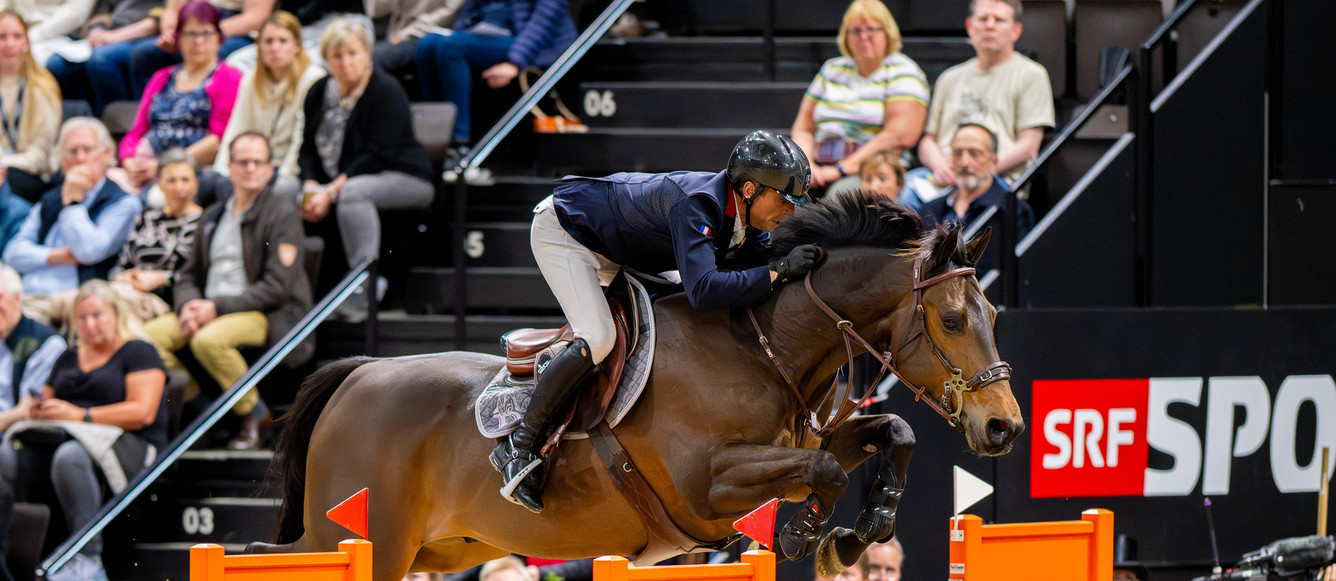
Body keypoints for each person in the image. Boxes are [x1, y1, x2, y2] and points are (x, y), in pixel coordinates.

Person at [491, 129, 819, 513]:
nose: (791, 211)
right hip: (568, 233)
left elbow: (752, 273)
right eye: (785, 199)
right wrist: (778, 273)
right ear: (749, 190)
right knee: (599, 337)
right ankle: (521, 444)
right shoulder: (698, 204)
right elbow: (705, 292)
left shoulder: (747, 221)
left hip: (621, 247)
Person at [142, 131, 311, 450]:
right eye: (243, 162)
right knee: (146, 340)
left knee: (210, 340)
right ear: (229, 167)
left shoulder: (282, 214)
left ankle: (255, 414)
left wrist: (215, 308)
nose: (250, 169)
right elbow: (188, 275)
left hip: (267, 312)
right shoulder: (214, 214)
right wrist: (190, 306)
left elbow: (277, 286)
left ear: (270, 169)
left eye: (257, 162)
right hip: (209, 307)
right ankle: (201, 409)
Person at [0, 279, 167, 581]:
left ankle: (87, 560)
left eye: (97, 315)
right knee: (8, 454)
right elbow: (45, 397)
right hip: (70, 436)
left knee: (70, 454)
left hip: (130, 444)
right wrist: (42, 408)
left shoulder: (138, 351)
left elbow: (142, 413)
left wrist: (81, 415)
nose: (89, 325)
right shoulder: (67, 357)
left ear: (116, 313)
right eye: (82, 318)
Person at [297, 17, 433, 321]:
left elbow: (376, 154)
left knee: (354, 194)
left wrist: (329, 192)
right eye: (337, 55)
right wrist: (308, 185)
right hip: (335, 180)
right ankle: (294, 295)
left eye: (353, 53)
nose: (345, 62)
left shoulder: (385, 89)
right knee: (281, 193)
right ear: (327, 58)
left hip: (404, 175)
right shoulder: (319, 91)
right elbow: (306, 148)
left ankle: (363, 290)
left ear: (367, 52)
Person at [2, 117, 140, 326]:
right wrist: (57, 256)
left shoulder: (123, 202)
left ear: (107, 154)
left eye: (88, 149)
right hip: (30, 293)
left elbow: (88, 251)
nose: (80, 158)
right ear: (61, 158)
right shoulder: (50, 199)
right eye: (72, 151)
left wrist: (74, 204)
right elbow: (12, 253)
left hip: (77, 298)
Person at [915, 0, 1054, 194]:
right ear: (970, 26)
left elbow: (1029, 146)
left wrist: (977, 170)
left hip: (997, 180)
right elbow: (928, 141)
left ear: (1016, 30)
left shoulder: (1032, 75)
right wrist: (939, 165)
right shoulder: (949, 78)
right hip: (940, 179)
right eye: (983, 19)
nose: (989, 25)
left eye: (999, 20)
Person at [790, 0, 927, 195]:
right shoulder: (832, 69)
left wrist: (840, 170)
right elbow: (803, 127)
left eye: (871, 30)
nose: (864, 37)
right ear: (846, 37)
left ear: (887, 33)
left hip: (870, 172)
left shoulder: (903, 71)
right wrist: (808, 166)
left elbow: (899, 136)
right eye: (855, 31)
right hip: (819, 170)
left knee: (840, 198)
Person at [414, 0, 577, 151]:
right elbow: (468, 13)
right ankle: (432, 135)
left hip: (534, 41)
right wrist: (462, 32)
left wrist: (515, 62)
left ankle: (458, 143)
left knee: (450, 47)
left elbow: (546, 19)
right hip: (489, 33)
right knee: (428, 45)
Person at [118, 0, 243, 194]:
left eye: (206, 33)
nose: (199, 41)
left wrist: (165, 166)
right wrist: (128, 160)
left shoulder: (228, 77)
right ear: (178, 38)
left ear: (219, 37)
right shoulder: (162, 77)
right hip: (146, 164)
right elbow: (137, 131)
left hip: (189, 172)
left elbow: (218, 139)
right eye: (191, 34)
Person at [214, 11, 325, 201]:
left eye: (282, 41)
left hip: (288, 168)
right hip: (252, 164)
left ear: (297, 45)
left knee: (279, 192)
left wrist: (278, 177)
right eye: (268, 41)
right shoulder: (251, 79)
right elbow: (237, 129)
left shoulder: (313, 79)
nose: (275, 48)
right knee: (215, 184)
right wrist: (223, 170)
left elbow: (301, 141)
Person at [918, 122, 1033, 270]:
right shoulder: (928, 210)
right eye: (958, 153)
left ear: (994, 160)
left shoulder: (1013, 211)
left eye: (975, 154)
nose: (965, 162)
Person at [110, 147, 204, 310]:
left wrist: (163, 278)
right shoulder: (146, 217)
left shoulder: (205, 222)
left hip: (170, 299)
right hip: (129, 290)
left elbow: (203, 275)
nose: (179, 188)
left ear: (196, 183)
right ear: (159, 184)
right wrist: (123, 277)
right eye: (171, 180)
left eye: (185, 180)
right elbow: (121, 264)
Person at [128, 0, 273, 97]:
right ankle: (148, 119)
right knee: (144, 54)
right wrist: (170, 32)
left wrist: (205, 34)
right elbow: (172, 9)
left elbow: (256, 18)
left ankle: (201, 116)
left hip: (235, 29)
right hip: (190, 22)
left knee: (212, 53)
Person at [44, 0, 163, 115]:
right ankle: (80, 121)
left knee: (100, 59)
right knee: (56, 63)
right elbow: (100, 12)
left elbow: (158, 19)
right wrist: (96, 30)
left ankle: (115, 122)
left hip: (142, 34)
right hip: (109, 32)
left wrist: (113, 37)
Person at [0, 10, 64, 204]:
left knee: (9, 181)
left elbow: (40, 157)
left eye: (17, 36)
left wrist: (3, 165)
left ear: (26, 42)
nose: (9, 43)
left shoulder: (42, 87)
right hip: (4, 167)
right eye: (2, 36)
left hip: (34, 174)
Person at [0, 263, 65, 432]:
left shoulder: (46, 343)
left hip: (14, 436)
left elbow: (26, 410)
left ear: (17, 298)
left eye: (0, 297)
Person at [366, 0, 463, 79]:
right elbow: (375, 11)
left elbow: (449, 12)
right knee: (363, 58)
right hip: (397, 34)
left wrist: (405, 34)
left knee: (372, 59)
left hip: (433, 35)